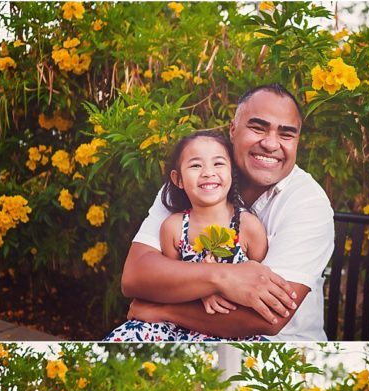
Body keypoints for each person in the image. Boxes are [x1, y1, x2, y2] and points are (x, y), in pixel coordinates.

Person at [119, 84, 334, 341]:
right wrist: (222, 276)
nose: (270, 143)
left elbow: (268, 318)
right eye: (258, 128)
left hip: (274, 345)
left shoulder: (308, 202)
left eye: (286, 134)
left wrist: (163, 309)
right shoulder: (198, 180)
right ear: (233, 129)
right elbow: (136, 276)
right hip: (185, 333)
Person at [105, 131, 269, 341]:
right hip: (178, 324)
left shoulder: (248, 227)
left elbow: (258, 283)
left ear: (232, 172)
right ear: (178, 179)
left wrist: (216, 283)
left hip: (228, 326)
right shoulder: (173, 228)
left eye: (218, 164)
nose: (208, 172)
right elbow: (170, 285)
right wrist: (202, 287)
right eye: (195, 165)